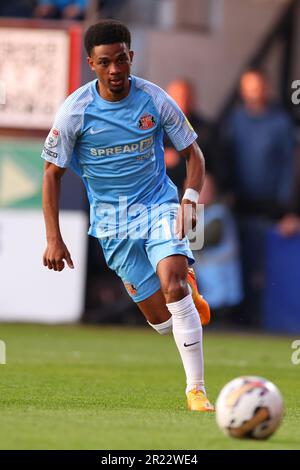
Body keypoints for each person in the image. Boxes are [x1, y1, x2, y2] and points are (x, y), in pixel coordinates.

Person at [41, 20, 214, 412]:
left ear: (131, 57)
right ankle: (185, 288)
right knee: (161, 320)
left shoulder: (155, 100)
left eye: (121, 60)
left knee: (174, 289)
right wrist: (53, 237)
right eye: (105, 63)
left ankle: (196, 390)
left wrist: (188, 198)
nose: (115, 70)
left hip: (157, 207)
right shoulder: (74, 113)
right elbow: (52, 174)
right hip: (112, 224)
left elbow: (194, 155)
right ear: (91, 64)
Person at [225, 69, 299, 324]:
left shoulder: (280, 123)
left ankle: (260, 320)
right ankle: (237, 317)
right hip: (240, 205)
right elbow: (227, 160)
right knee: (238, 265)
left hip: (271, 208)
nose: (254, 92)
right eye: (249, 87)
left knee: (265, 268)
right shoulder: (236, 121)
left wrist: (289, 207)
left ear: (266, 89)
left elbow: (289, 167)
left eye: (258, 86)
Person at [164, 79, 215, 197]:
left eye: (184, 98)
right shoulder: (155, 128)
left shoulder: (205, 131)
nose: (180, 103)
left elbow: (214, 168)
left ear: (192, 100)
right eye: (175, 98)